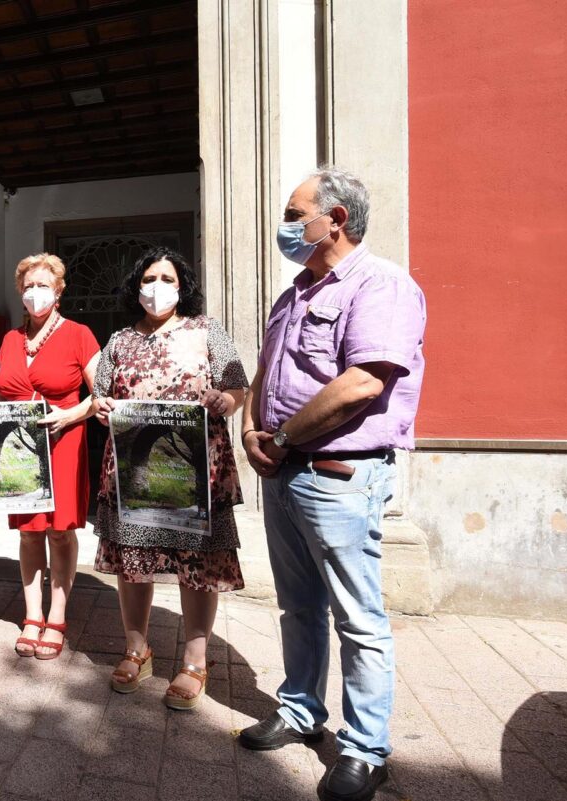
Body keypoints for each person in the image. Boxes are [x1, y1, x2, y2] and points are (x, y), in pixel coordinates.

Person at [238, 167, 426, 801]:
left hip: (338, 476)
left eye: (297, 215)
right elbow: (265, 369)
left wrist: (285, 437)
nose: (287, 227)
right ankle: (300, 711)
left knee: (357, 616)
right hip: (283, 472)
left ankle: (366, 748)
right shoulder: (293, 292)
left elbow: (361, 383)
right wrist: (250, 430)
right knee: (298, 606)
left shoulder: (383, 286)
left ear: (335, 219)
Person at [93, 248, 247, 707]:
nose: (156, 286)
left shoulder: (207, 331)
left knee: (196, 563)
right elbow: (100, 394)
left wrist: (228, 400)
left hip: (195, 469)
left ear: (183, 287)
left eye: (167, 277)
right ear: (135, 285)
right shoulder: (119, 341)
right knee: (133, 560)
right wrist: (101, 408)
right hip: (135, 470)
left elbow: (238, 383)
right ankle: (137, 651)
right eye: (148, 277)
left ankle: (195, 661)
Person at [0, 253, 100, 659]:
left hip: (63, 444)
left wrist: (70, 414)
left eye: (43, 285)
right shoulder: (10, 340)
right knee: (29, 531)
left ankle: (57, 616)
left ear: (58, 290)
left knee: (59, 531)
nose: (35, 292)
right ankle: (32, 615)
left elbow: (101, 395)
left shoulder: (79, 334)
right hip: (19, 449)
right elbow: (3, 393)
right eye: (28, 286)